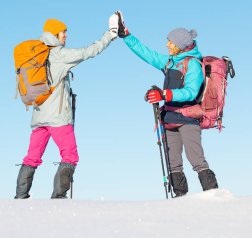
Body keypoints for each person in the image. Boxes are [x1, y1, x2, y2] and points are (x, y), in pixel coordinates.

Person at [15, 14, 120, 199]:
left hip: (39, 118)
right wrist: (109, 35)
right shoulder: (59, 54)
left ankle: (20, 196)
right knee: (70, 155)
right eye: (63, 32)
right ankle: (58, 197)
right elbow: (89, 52)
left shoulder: (39, 54)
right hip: (58, 118)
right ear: (55, 33)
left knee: (31, 157)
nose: (66, 36)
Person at [116, 11, 218, 196]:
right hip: (169, 118)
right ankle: (180, 200)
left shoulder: (192, 64)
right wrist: (127, 36)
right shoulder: (170, 62)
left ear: (179, 45)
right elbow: (147, 54)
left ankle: (214, 196)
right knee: (173, 163)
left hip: (188, 119)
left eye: (170, 42)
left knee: (197, 160)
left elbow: (191, 92)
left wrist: (164, 94)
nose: (167, 44)